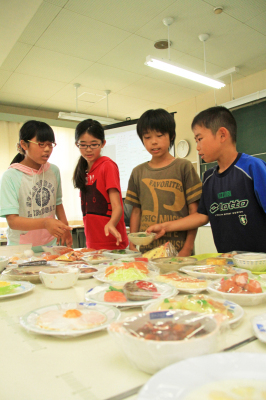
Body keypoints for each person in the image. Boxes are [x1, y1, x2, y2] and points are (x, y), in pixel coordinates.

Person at [147, 106, 266, 253]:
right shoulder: (209, 177)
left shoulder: (252, 168)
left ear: (222, 135)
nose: (197, 147)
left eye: (199, 139)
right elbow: (202, 215)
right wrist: (165, 226)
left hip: (260, 265)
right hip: (228, 264)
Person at [125, 108, 202, 256]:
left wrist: (188, 247)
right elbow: (136, 212)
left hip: (179, 251)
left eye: (159, 136)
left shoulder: (183, 167)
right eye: (147, 137)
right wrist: (132, 244)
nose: (154, 142)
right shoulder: (138, 172)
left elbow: (195, 213)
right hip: (147, 252)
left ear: (171, 136)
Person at [0, 120, 73, 252]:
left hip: (49, 245)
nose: (47, 149)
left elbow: (57, 203)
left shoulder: (53, 171)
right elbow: (13, 221)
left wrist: (65, 227)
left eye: (50, 145)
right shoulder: (10, 176)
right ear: (24, 144)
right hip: (21, 249)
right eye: (41, 144)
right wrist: (45, 223)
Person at [73, 119, 128, 250]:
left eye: (94, 144)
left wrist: (111, 223)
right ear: (77, 144)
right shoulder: (83, 171)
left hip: (111, 243)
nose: (88, 149)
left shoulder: (107, 166)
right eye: (83, 145)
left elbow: (117, 206)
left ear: (103, 143)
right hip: (92, 243)